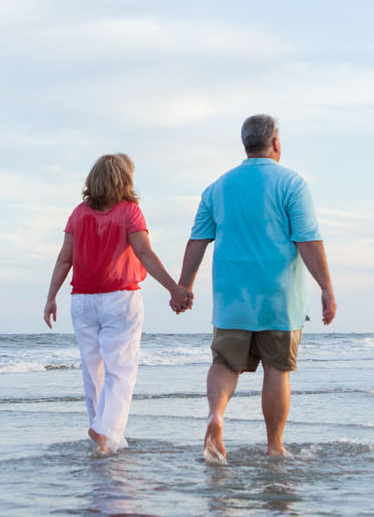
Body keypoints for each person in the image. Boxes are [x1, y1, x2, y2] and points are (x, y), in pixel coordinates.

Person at [178, 115, 335, 462]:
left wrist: (184, 285)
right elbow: (308, 240)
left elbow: (197, 240)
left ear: (245, 144)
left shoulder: (218, 187)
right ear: (275, 142)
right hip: (279, 296)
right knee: (277, 369)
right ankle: (275, 446)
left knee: (224, 363)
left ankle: (216, 416)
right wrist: (326, 287)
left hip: (231, 297)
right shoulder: (292, 184)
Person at [45, 153, 193, 454]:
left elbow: (64, 259)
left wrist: (51, 297)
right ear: (124, 180)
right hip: (119, 298)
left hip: (82, 300)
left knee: (92, 370)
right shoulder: (130, 212)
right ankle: (104, 430)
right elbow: (145, 254)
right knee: (121, 370)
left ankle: (105, 439)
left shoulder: (78, 213)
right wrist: (174, 289)